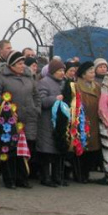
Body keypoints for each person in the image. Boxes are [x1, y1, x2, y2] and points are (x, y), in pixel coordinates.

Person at [0, 51, 40, 188]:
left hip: (28, 117)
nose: (22, 66)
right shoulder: (1, 77)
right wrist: (7, 110)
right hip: (9, 120)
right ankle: (9, 179)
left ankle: (22, 178)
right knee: (10, 149)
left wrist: (36, 109)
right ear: (11, 65)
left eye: (23, 63)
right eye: (19, 63)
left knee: (24, 150)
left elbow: (36, 95)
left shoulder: (29, 77)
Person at [37, 59, 66, 187]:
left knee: (57, 151)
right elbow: (41, 101)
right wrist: (54, 99)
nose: (62, 73)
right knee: (47, 152)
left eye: (63, 70)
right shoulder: (44, 82)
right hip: (46, 122)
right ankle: (45, 177)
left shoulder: (63, 83)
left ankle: (57, 176)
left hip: (59, 122)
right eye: (59, 70)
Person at [74, 62, 101, 183]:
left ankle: (87, 172)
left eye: (93, 71)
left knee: (93, 148)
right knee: (82, 148)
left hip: (95, 119)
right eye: (90, 72)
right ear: (83, 74)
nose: (93, 74)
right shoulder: (76, 86)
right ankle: (80, 174)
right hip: (82, 120)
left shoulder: (97, 86)